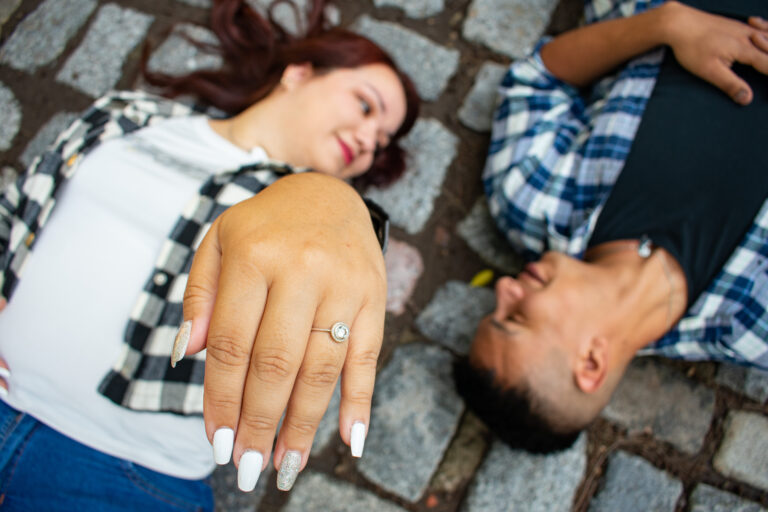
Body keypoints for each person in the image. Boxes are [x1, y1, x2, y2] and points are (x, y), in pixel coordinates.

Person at [0, 0, 419, 508]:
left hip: (128, 473)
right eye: (367, 107)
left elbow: (348, 243)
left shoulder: (320, 222)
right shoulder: (129, 115)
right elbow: (17, 210)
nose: (368, 140)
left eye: (381, 143)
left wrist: (335, 198)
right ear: (299, 73)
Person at [454, 0, 768, 454]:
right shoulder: (753, 326)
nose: (504, 287)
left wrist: (667, 23)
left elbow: (538, 80)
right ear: (591, 362)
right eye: (516, 316)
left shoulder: (531, 203)